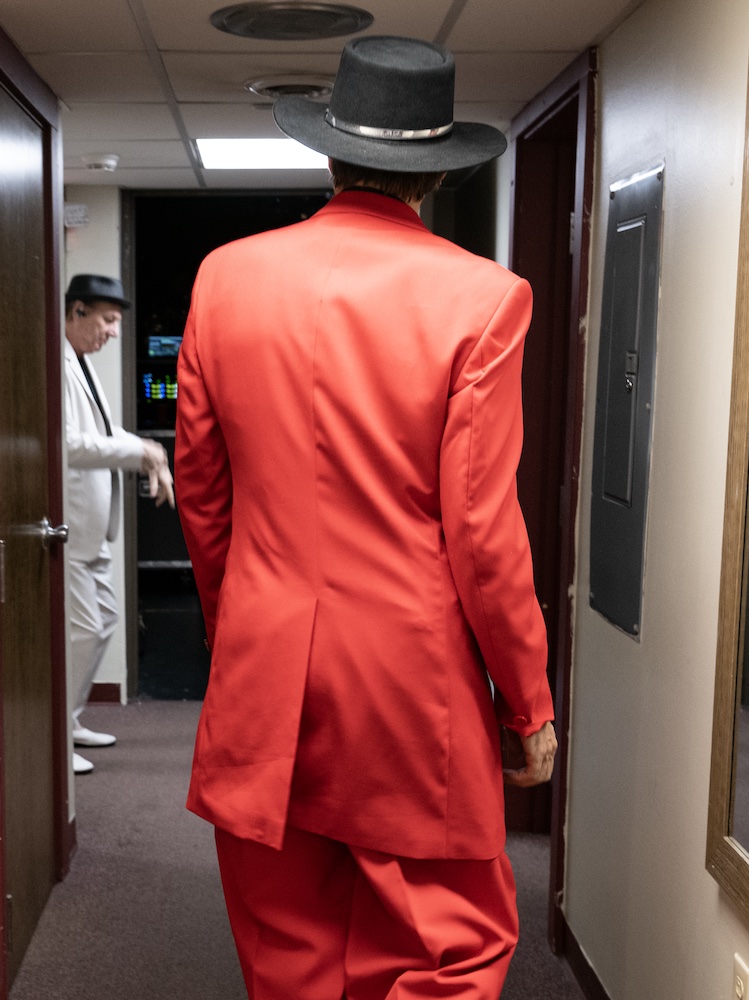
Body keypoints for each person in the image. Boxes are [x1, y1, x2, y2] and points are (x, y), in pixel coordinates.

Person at [174, 35, 557, 1000]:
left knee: (288, 951)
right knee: (452, 950)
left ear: (330, 157)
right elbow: (482, 531)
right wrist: (526, 703)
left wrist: (238, 631)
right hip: (406, 685)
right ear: (435, 175)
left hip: (262, 667)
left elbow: (203, 491)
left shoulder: (224, 276)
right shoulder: (484, 298)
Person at [64, 274, 175, 775]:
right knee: (84, 629)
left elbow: (106, 432)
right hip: (70, 526)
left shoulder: (83, 362)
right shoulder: (56, 364)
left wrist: (151, 453)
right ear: (77, 311)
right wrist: (140, 453)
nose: (112, 332)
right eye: (107, 321)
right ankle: (54, 734)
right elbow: (69, 444)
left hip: (95, 527)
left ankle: (70, 721)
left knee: (105, 621)